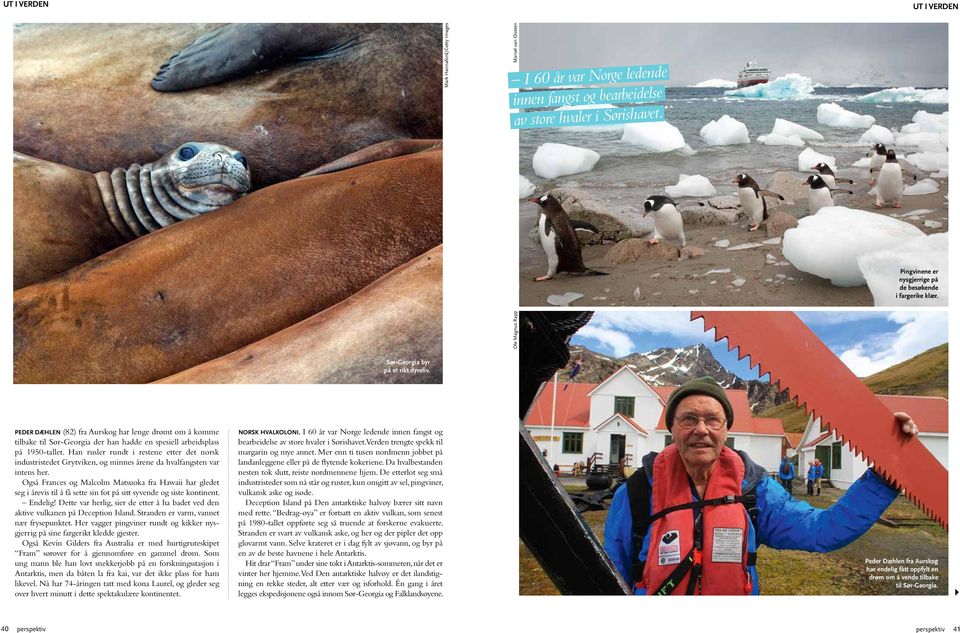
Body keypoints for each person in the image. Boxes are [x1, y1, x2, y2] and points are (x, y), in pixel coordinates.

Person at [604, 376, 917, 595]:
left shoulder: (754, 490)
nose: (701, 429)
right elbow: (607, 581)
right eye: (688, 419)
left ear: (726, 429)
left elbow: (821, 530)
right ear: (672, 427)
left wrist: (882, 480)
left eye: (713, 420)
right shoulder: (635, 494)